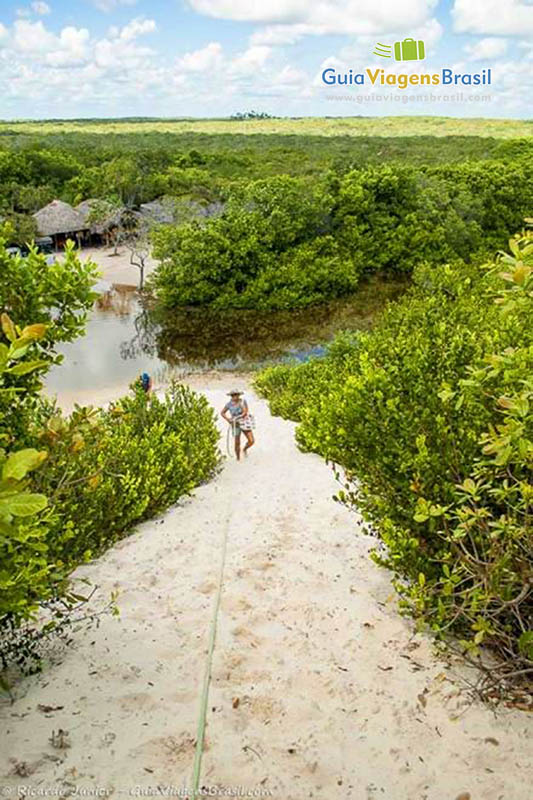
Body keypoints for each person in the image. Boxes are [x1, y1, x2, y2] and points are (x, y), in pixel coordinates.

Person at [221, 389, 255, 461]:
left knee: (251, 440)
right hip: (235, 424)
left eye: (236, 394)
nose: (235, 396)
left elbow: (245, 412)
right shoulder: (229, 404)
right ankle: (238, 458)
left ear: (239, 395)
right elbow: (222, 413)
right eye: (233, 395)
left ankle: (245, 449)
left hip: (244, 422)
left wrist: (238, 417)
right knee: (237, 442)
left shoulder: (242, 401)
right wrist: (228, 420)